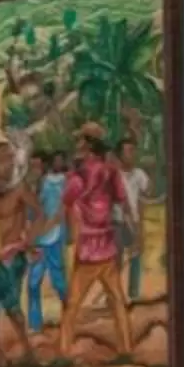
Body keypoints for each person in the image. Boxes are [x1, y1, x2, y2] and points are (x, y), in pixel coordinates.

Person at [56, 122, 137, 355]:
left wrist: (68, 234)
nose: (77, 144)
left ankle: (64, 351)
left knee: (72, 305)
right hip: (108, 245)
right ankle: (126, 349)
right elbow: (123, 202)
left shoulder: (77, 176)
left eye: (80, 140)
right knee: (117, 301)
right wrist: (135, 231)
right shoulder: (110, 171)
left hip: (88, 249)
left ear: (89, 145)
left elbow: (66, 206)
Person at [0, 138, 42, 362]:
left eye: (12, 158)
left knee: (12, 306)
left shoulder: (20, 189)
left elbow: (40, 214)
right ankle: (0, 356)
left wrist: (28, 240)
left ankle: (27, 351)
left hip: (14, 257)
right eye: (5, 160)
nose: (10, 164)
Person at [22, 149, 68, 333]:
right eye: (31, 166)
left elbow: (57, 216)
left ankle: (68, 316)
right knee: (33, 283)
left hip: (51, 238)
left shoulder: (53, 185)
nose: (34, 170)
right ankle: (35, 324)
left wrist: (36, 236)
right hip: (37, 241)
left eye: (37, 166)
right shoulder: (30, 188)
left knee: (59, 282)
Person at [117, 136, 151, 299]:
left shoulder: (139, 174)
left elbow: (146, 194)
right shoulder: (115, 174)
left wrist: (139, 226)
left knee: (136, 255)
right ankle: (114, 295)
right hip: (117, 221)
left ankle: (134, 294)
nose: (131, 154)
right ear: (120, 155)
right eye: (127, 151)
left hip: (134, 220)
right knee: (115, 259)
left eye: (133, 151)